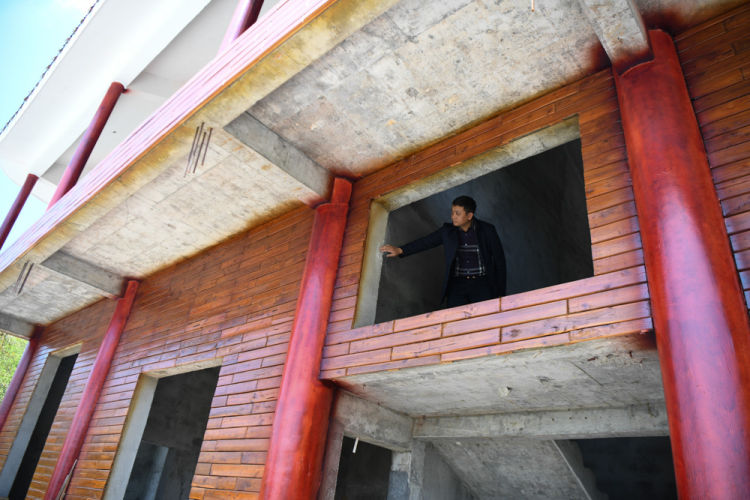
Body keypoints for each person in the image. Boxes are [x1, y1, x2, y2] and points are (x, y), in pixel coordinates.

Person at [380, 195, 506, 308]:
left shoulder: (487, 230)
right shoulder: (447, 231)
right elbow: (426, 242)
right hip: (457, 285)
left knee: (485, 318)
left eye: (457, 213)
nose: (453, 216)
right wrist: (400, 250)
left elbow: (499, 262)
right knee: (455, 320)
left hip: (482, 284)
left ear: (469, 216)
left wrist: (501, 293)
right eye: (452, 212)